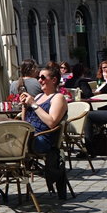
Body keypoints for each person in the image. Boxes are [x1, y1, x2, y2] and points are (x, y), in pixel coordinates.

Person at [19, 65, 69, 199]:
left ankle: (2, 172)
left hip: (43, 139)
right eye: (38, 78)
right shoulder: (39, 95)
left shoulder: (58, 98)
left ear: (53, 80)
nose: (39, 80)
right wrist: (25, 106)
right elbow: (25, 120)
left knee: (6, 145)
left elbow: (52, 122)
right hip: (29, 135)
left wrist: (34, 105)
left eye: (42, 77)